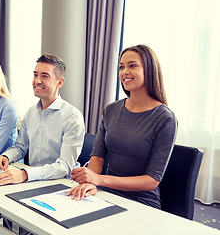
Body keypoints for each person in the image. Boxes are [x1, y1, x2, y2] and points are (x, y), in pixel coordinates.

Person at [67, 45, 177, 209]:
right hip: (106, 193)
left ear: (150, 69)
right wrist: (92, 182)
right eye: (121, 67)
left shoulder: (165, 118)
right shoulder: (110, 110)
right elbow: (97, 157)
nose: (124, 71)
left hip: (141, 201)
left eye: (132, 65)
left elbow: (151, 181)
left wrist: (99, 179)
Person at [0, 54, 85, 185]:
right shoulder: (30, 112)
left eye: (44, 76)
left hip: (61, 185)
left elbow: (64, 166)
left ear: (60, 82)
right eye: (35, 75)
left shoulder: (72, 117)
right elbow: (20, 146)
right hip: (33, 180)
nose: (37, 81)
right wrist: (6, 156)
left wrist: (25, 174)